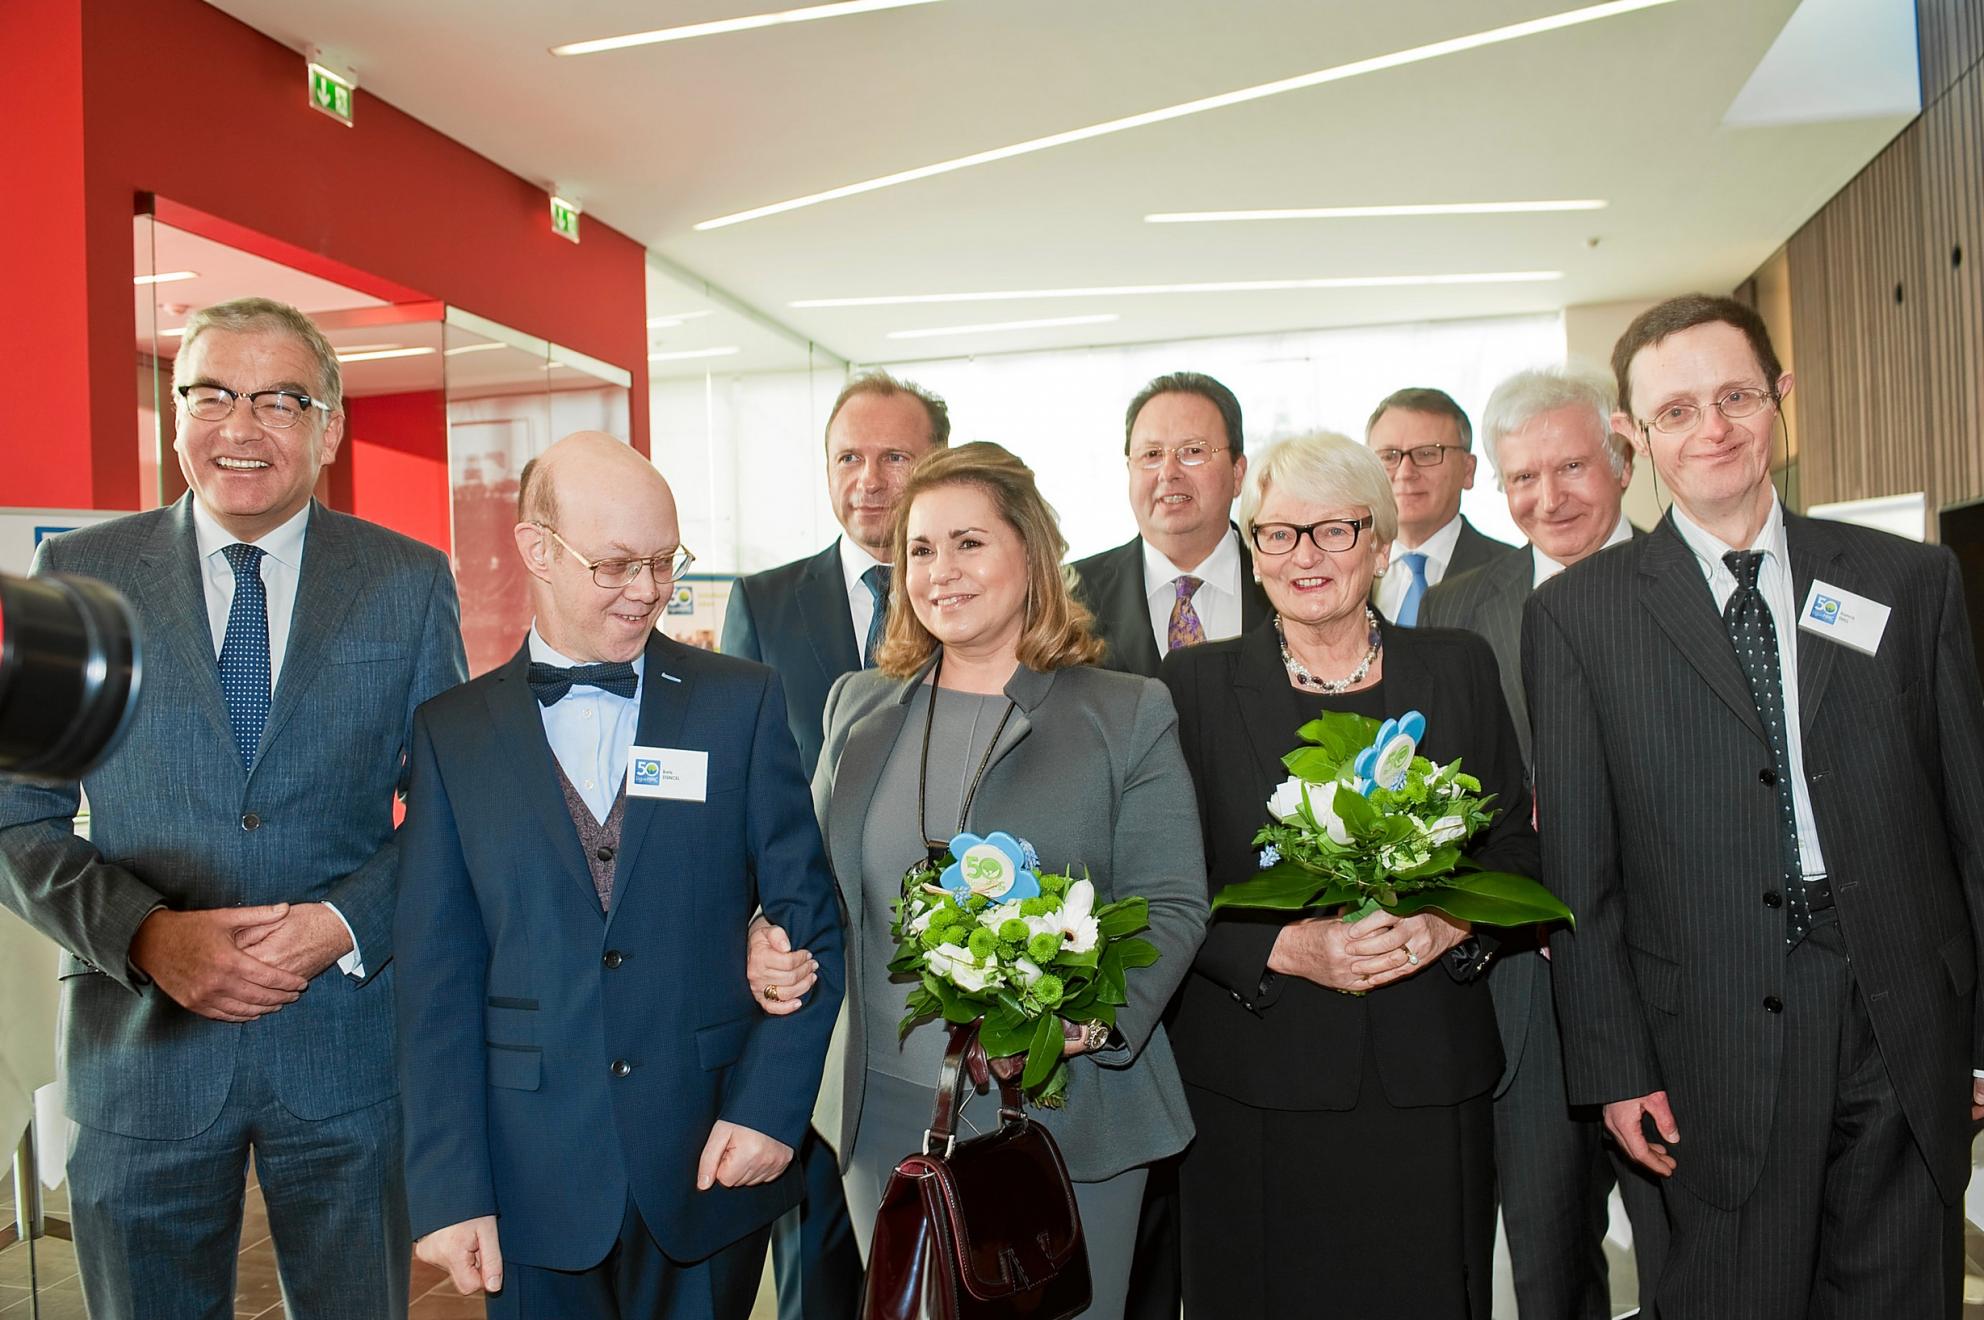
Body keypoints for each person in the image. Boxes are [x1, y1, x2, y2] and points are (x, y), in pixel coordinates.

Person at [0, 297, 467, 1318]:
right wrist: (147, 935)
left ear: (329, 428)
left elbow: (453, 811)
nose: (240, 426)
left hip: (346, 1052)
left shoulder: (407, 581)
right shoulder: (75, 576)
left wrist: (339, 923)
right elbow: (16, 816)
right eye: (211, 394)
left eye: (279, 400)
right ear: (174, 415)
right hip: (141, 1053)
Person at [1526, 294, 1984, 1319]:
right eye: (1677, 410)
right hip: (1707, 1048)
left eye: (1735, 396)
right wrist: (1614, 1067)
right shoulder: (1577, 618)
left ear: (1781, 398)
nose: (1713, 429)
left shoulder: (1907, 582)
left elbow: (1973, 825)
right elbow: (1581, 875)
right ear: (1635, 436)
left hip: (1904, 1021)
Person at [395, 432, 845, 1319]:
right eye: (615, 565)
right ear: (537, 550)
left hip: (710, 1158)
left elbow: (810, 917)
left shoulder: (739, 702)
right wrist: (448, 1188)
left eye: (665, 561)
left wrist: (770, 1110)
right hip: (528, 1177)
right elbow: (436, 978)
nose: (647, 590)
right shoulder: (453, 734)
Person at [764, 441, 1207, 1320]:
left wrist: (1082, 1024)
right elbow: (806, 883)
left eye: (969, 543)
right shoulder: (858, 706)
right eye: (921, 550)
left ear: (1030, 554)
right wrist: (762, 931)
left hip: (1065, 1111)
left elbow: (1172, 904)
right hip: (882, 1115)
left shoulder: (1124, 712)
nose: (942, 571)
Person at [1159, 431, 1534, 1318]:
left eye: (1335, 530)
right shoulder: (1190, 688)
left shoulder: (1459, 666)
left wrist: (1448, 924)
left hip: (1428, 1078)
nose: (1307, 556)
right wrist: (1282, 948)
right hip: (1254, 1083)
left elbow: (1515, 852)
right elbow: (1163, 881)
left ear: (1380, 541)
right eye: (1279, 534)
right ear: (1254, 554)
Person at [1420, 366, 1667, 1318]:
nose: (1548, 498)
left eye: (1571, 468)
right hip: (1526, 993)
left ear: (1621, 461)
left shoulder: (1689, 586)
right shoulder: (1453, 613)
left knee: (1693, 1258)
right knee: (1549, 1266)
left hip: (1672, 989)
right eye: (1524, 477)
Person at [722, 369, 945, 1320]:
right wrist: (749, 926)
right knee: (815, 1261)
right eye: (849, 457)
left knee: (945, 1259)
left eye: (896, 456)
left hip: (946, 983)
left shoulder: (980, 595)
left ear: (938, 465)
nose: (870, 479)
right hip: (806, 980)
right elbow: (730, 792)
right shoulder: (765, 600)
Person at [1071, 372, 1272, 677]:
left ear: (1237, 473)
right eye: (1152, 455)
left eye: (1193, 451)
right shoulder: (1070, 596)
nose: (1168, 472)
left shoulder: (1285, 579)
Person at [1365, 386, 1515, 624]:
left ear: (1468, 470)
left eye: (1426, 454)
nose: (1405, 473)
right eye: (1389, 456)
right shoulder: (1347, 569)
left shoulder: (1515, 574)